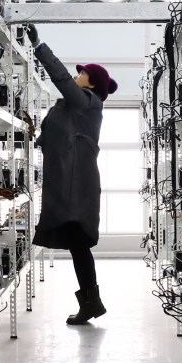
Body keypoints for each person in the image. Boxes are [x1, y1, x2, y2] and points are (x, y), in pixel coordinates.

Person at [24, 23, 118, 325]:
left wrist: (39, 47)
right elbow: (56, 131)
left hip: (77, 185)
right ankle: (91, 303)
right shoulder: (72, 107)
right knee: (78, 246)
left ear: (91, 83)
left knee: (79, 244)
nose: (77, 75)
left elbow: (61, 79)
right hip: (69, 181)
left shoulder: (89, 102)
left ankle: (91, 303)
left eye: (83, 73)